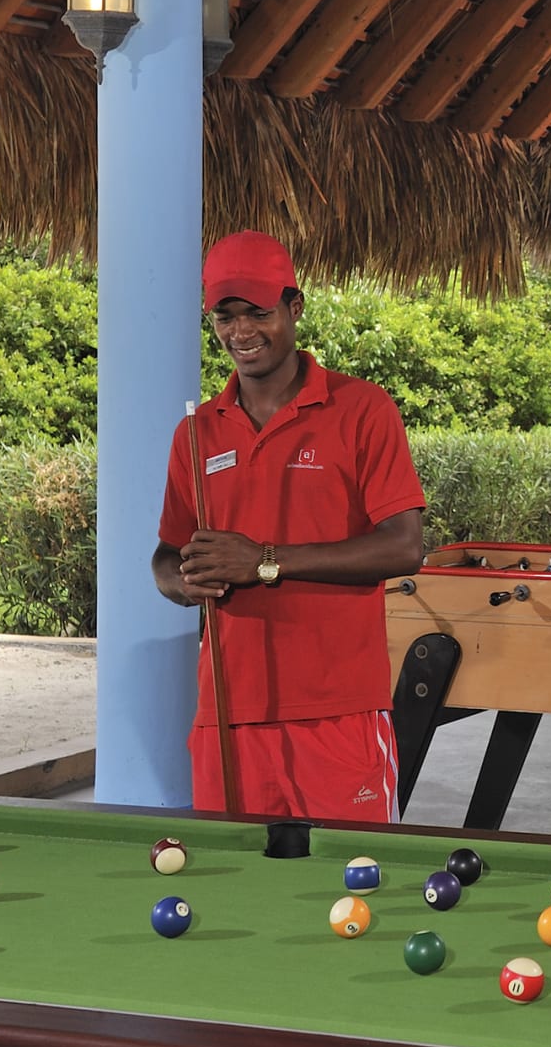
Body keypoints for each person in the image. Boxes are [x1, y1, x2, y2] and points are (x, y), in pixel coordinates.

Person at [152, 230, 427, 820]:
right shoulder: (196, 432)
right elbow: (167, 555)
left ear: (294, 307)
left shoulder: (363, 409)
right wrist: (184, 580)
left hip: (338, 710)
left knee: (353, 873)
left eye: (258, 312)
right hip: (226, 714)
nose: (241, 331)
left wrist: (264, 561)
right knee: (232, 875)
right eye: (225, 315)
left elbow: (405, 547)